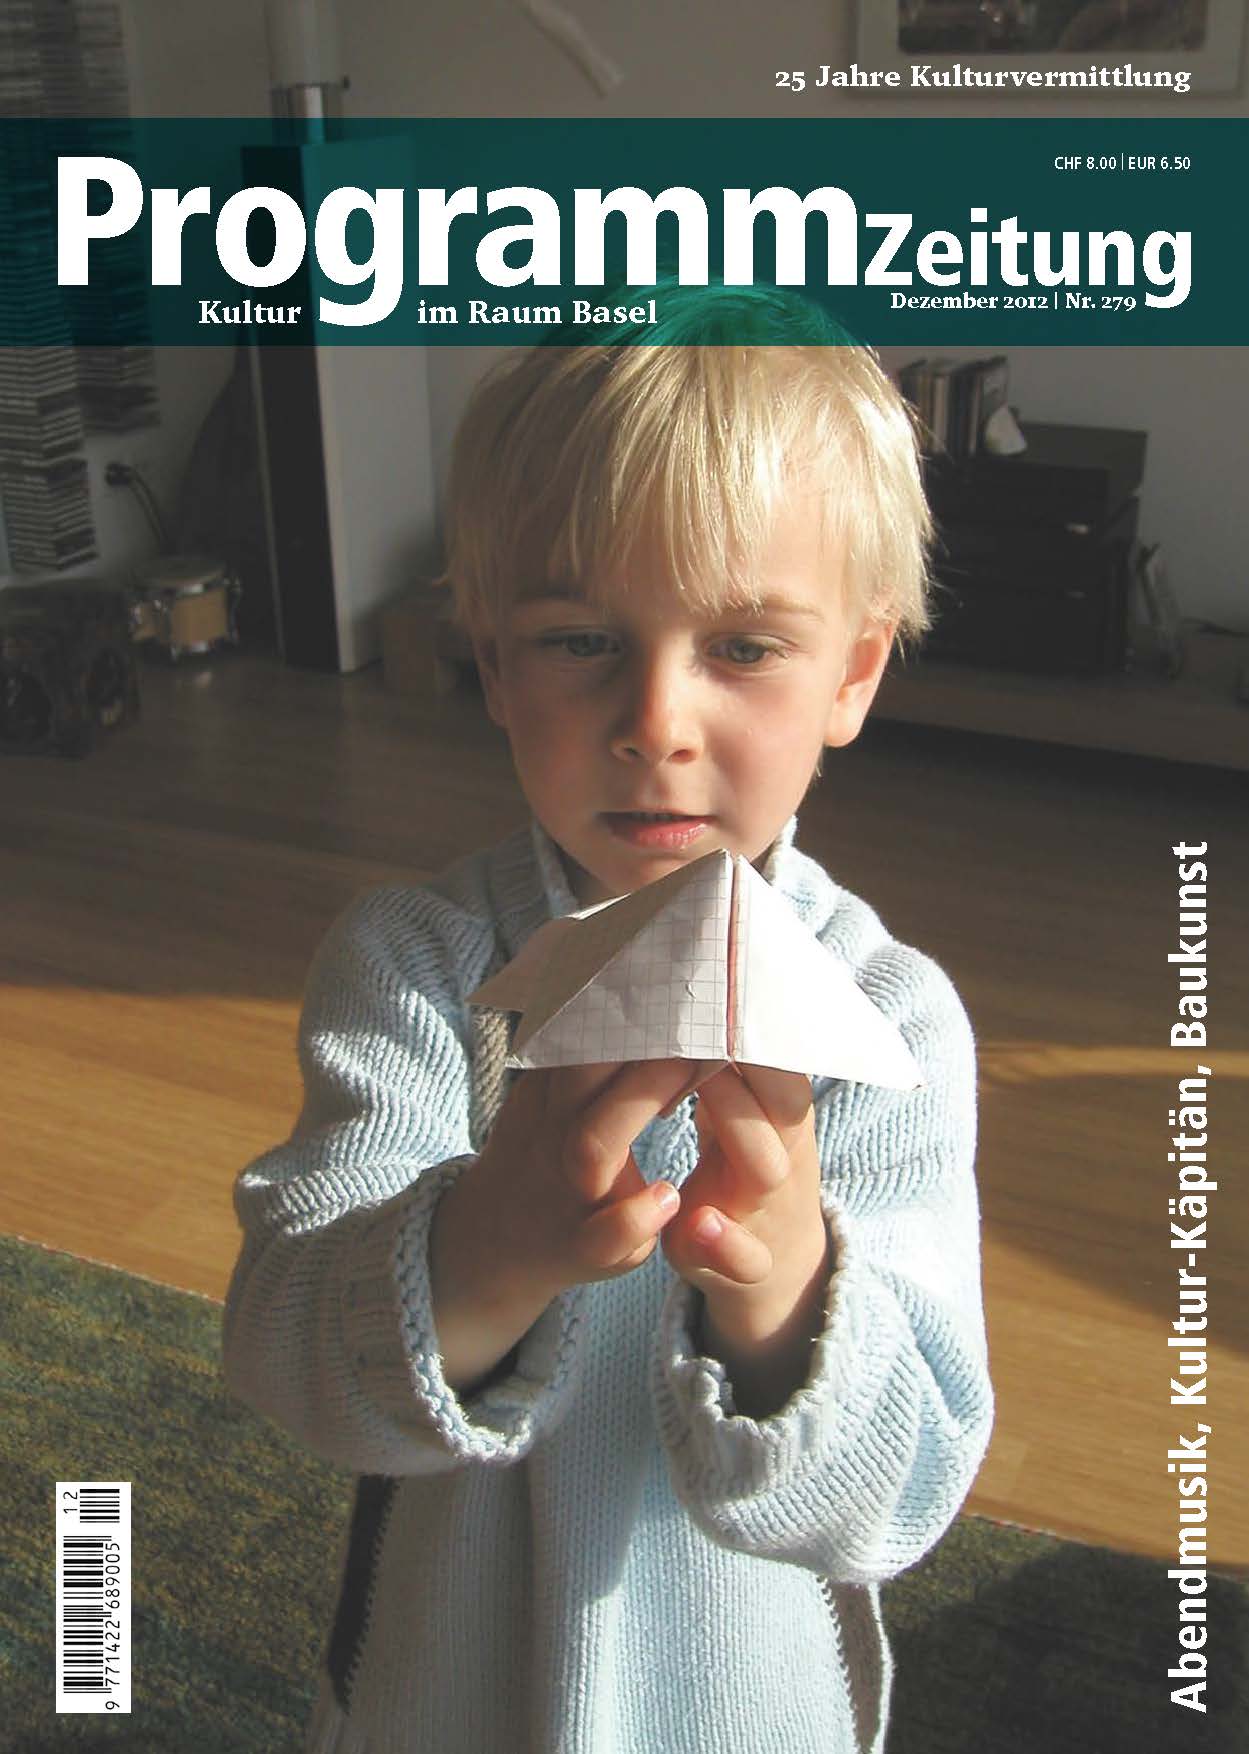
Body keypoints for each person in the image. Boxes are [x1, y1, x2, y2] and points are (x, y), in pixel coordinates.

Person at [222, 285, 994, 1754]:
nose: (655, 721)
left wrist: (785, 1294)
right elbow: (284, 1354)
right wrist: (484, 1244)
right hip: (434, 1699)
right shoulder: (418, 970)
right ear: (492, 663)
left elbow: (902, 1497)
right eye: (580, 639)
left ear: (852, 670)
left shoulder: (887, 1026)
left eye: (743, 647)